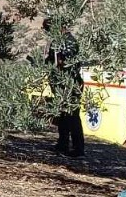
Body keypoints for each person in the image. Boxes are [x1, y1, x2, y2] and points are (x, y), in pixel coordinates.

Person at [43, 16, 85, 157]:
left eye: (49, 29)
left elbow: (67, 62)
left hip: (71, 83)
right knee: (62, 115)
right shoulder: (58, 42)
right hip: (62, 84)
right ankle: (63, 144)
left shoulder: (69, 42)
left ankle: (78, 149)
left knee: (72, 116)